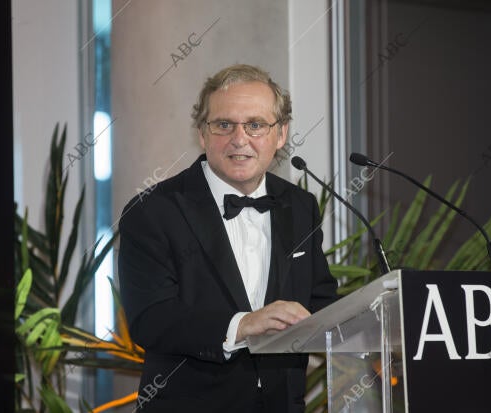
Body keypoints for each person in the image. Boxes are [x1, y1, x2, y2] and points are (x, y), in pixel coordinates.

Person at [118, 64, 338, 413]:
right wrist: (242, 325)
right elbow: (151, 319)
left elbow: (321, 299)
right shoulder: (152, 211)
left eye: (255, 125)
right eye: (224, 125)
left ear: (280, 135)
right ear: (202, 134)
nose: (239, 139)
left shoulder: (300, 206)